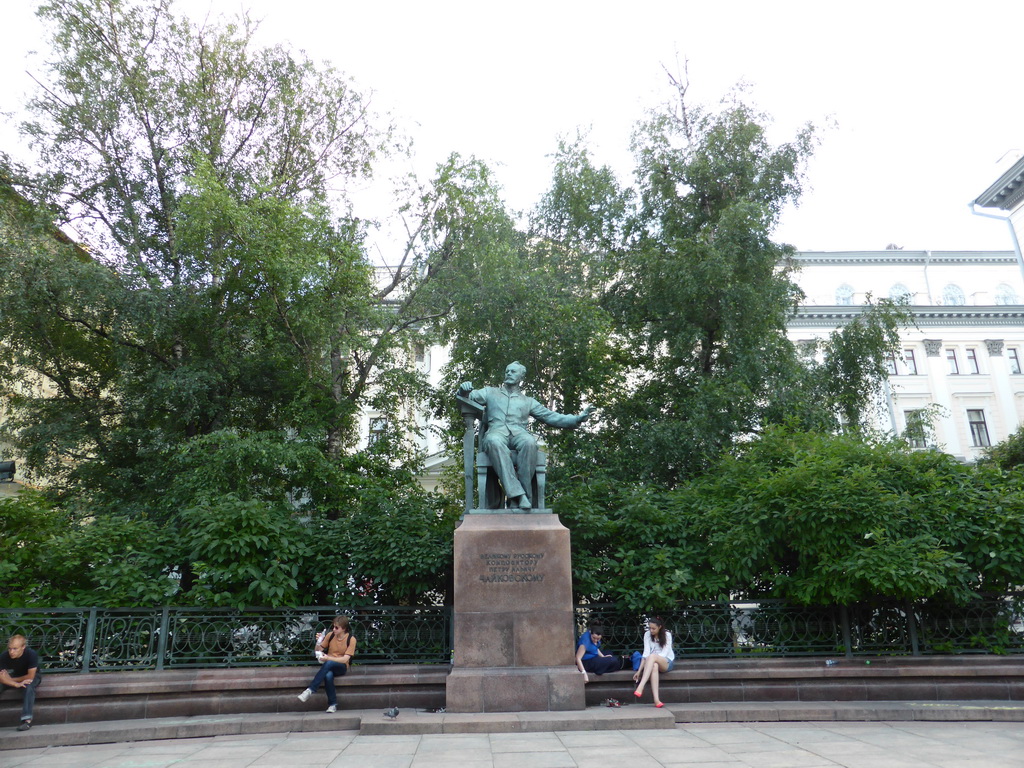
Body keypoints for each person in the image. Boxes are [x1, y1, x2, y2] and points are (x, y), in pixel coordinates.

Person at [459, 362, 594, 510]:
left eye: (513, 372)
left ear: (521, 377)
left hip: (519, 433)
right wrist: (464, 390)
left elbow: (551, 417)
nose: (509, 373)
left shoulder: (528, 401)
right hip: (496, 432)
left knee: (530, 442)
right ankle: (519, 495)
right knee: (493, 441)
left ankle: (517, 498)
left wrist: (577, 419)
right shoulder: (490, 392)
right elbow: (469, 396)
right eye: (507, 371)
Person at [296, 616, 356, 713]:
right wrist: (319, 641)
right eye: (333, 627)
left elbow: (346, 659)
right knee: (328, 675)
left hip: (341, 666)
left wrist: (328, 658)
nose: (334, 629)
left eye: (337, 628)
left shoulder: (351, 639)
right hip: (329, 664)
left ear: (344, 628)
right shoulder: (330, 635)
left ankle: (310, 689)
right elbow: (318, 650)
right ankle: (332, 705)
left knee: (329, 663)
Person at [0, 635, 41, 731]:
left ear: (23, 647)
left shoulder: (31, 654)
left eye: (15, 649)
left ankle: (26, 720)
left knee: (28, 686)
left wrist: (10, 680)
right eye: (10, 649)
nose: (11, 652)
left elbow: (30, 676)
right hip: (14, 676)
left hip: (33, 676)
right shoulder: (4, 656)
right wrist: (15, 684)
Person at [633, 617, 674, 708]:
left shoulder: (667, 635)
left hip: (666, 661)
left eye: (653, 628)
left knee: (652, 657)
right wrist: (639, 671)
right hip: (652, 662)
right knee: (654, 665)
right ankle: (656, 700)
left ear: (660, 627)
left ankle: (641, 686)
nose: (651, 630)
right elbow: (645, 653)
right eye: (649, 628)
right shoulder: (647, 635)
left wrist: (653, 657)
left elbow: (664, 654)